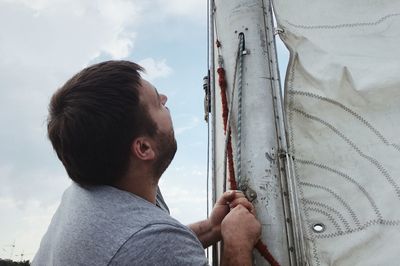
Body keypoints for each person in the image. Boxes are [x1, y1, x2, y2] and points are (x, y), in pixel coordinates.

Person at [33, 60, 261, 265]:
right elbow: (147, 246)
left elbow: (141, 250)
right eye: (157, 102)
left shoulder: (84, 193)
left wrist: (213, 228)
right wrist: (237, 244)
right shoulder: (150, 239)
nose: (165, 98)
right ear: (143, 148)